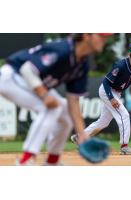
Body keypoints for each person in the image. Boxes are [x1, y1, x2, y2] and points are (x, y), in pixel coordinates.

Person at [0, 33, 112, 165]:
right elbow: (27, 69)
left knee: (65, 112)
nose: (105, 40)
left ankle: (52, 161)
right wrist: (44, 95)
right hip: (12, 76)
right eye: (101, 36)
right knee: (52, 108)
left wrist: (82, 136)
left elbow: (73, 101)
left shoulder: (82, 63)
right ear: (86, 36)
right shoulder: (63, 49)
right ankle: (26, 159)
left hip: (32, 82)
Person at [71, 42, 131, 155]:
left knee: (103, 123)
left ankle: (79, 138)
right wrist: (111, 98)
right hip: (107, 91)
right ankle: (124, 146)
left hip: (117, 93)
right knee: (124, 115)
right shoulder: (121, 65)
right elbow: (106, 82)